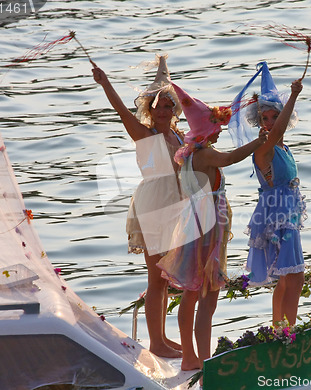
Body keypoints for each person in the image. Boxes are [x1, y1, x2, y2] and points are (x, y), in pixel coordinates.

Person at [156, 82, 267, 371]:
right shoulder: (204, 155)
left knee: (192, 294)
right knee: (206, 297)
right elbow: (230, 158)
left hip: (196, 226)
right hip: (207, 231)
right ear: (206, 130)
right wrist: (258, 141)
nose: (219, 129)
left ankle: (191, 357)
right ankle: (206, 363)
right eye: (216, 125)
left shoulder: (190, 154)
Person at [92, 54, 184, 358]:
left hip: (176, 207)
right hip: (154, 206)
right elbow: (120, 110)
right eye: (158, 105)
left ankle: (163, 337)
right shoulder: (145, 134)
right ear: (150, 109)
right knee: (156, 277)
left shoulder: (179, 135)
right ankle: (156, 343)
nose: (164, 110)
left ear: (175, 109)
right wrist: (106, 84)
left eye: (169, 104)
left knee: (167, 277)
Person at [230, 61, 306, 326]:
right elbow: (278, 133)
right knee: (294, 275)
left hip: (288, 212)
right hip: (277, 214)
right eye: (265, 118)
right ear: (258, 121)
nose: (271, 123)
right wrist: (293, 96)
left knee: (288, 277)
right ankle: (289, 330)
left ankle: (280, 329)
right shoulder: (264, 147)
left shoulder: (282, 147)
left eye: (275, 116)